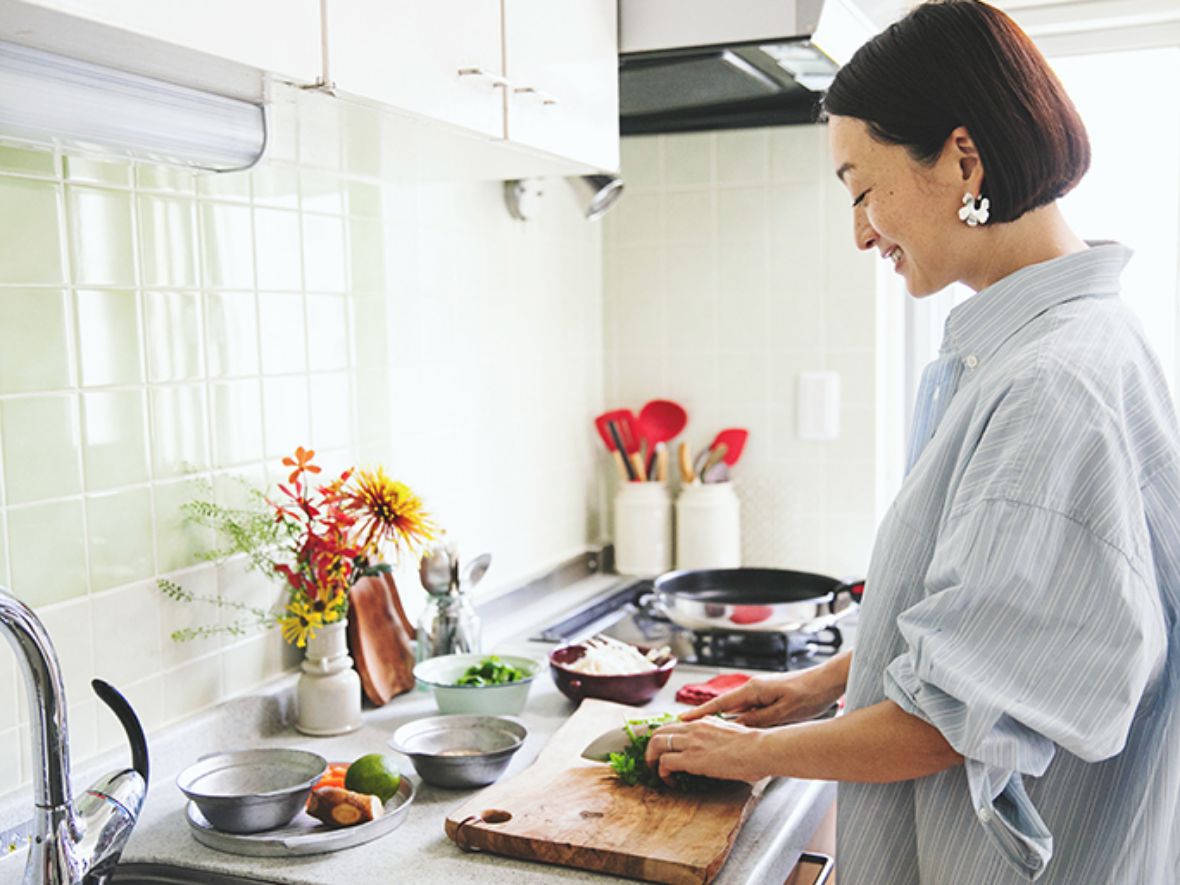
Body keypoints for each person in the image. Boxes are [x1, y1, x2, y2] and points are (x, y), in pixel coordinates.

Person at [644, 2, 1179, 883]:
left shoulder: (1050, 384)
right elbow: (1006, 629)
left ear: (962, 157)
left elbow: (950, 724)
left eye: (861, 188)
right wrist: (826, 682)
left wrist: (742, 754)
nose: (860, 231)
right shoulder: (1048, 345)